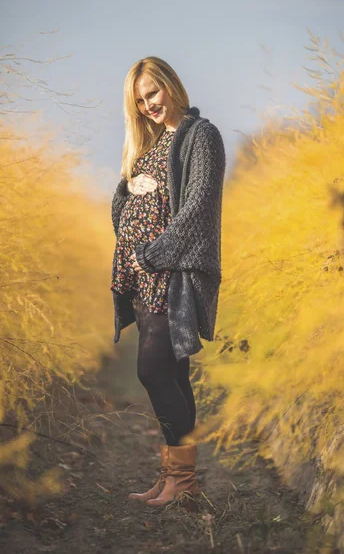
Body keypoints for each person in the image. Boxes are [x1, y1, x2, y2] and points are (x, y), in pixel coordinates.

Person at [110, 56, 225, 506]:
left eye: (152, 93)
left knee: (152, 369)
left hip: (169, 275)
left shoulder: (201, 137)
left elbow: (198, 208)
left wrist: (150, 255)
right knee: (174, 374)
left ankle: (185, 482)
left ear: (171, 85)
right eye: (139, 101)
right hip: (143, 279)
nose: (147, 106)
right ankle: (174, 479)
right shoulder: (156, 141)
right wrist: (126, 189)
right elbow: (125, 209)